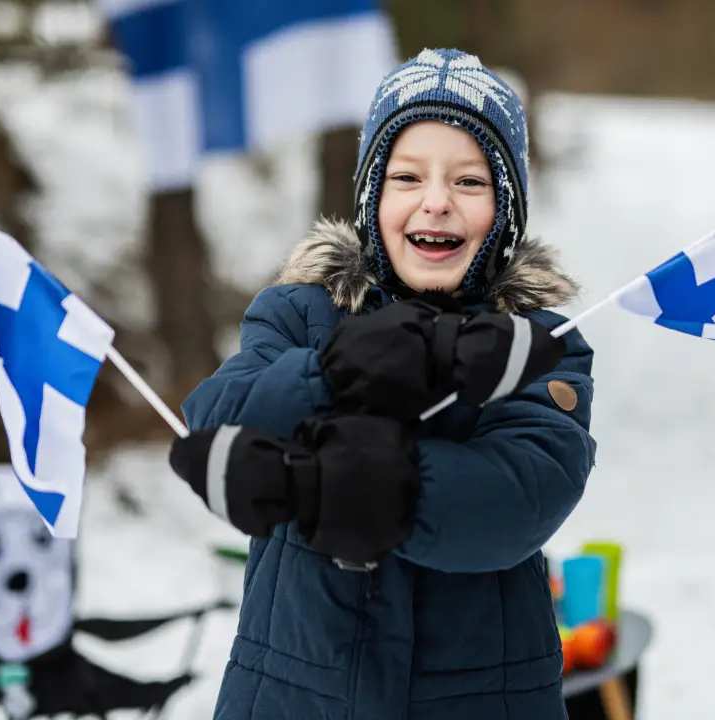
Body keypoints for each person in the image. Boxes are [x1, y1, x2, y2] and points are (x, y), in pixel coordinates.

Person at [168, 48, 598, 719]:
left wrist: (331, 483)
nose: (436, 203)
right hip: (292, 693)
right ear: (372, 197)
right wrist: (333, 369)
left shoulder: (535, 346)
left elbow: (523, 493)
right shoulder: (299, 311)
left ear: (506, 209)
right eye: (407, 177)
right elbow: (218, 420)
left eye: (469, 181)